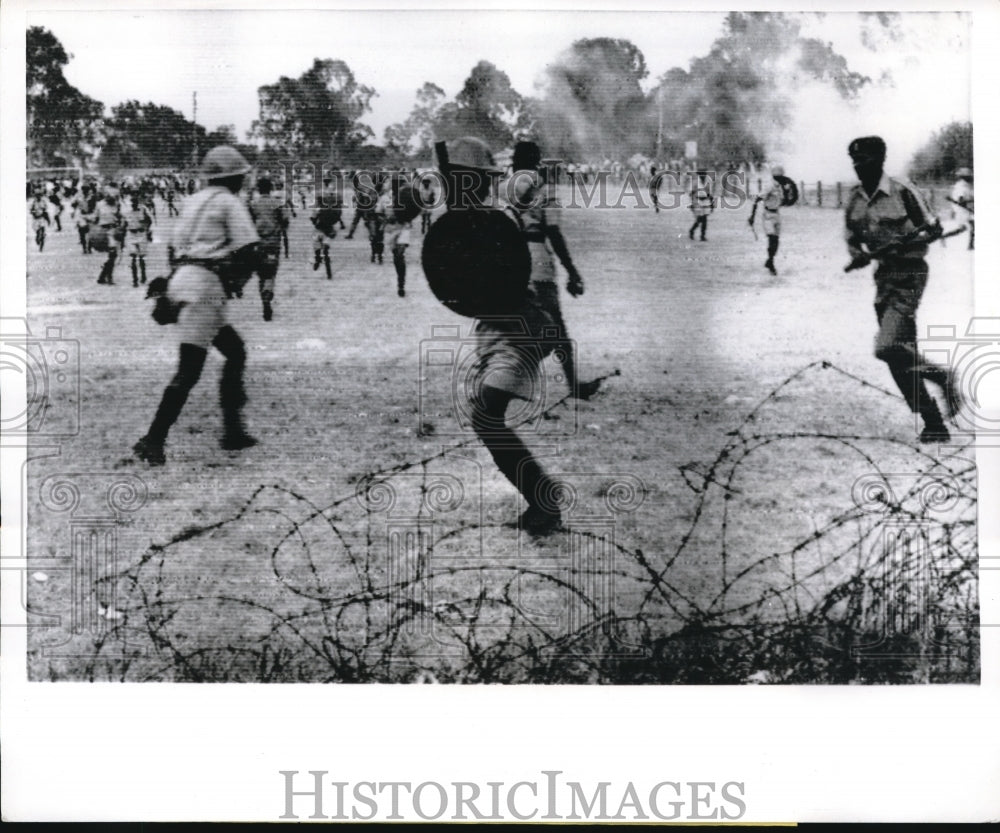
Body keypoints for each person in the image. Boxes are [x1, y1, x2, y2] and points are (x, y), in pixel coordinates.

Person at [437, 136, 570, 536]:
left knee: (485, 415)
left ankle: (545, 501)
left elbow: (505, 280)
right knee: (486, 417)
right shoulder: (479, 216)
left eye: (458, 178)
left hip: (518, 329)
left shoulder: (495, 220)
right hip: (501, 329)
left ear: (471, 179)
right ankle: (543, 499)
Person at [133, 145, 261, 466]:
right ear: (233, 178)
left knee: (235, 350)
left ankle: (233, 429)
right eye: (241, 177)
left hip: (181, 280)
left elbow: (173, 250)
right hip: (205, 287)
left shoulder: (191, 202)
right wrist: (239, 281)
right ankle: (153, 439)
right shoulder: (230, 203)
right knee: (188, 371)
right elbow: (250, 249)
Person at [844, 135, 961, 444]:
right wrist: (857, 256)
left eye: (864, 160)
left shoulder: (902, 190)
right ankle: (934, 422)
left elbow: (933, 229)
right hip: (883, 278)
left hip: (909, 274)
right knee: (898, 355)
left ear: (880, 160)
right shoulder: (855, 198)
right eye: (854, 161)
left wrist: (906, 242)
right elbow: (853, 238)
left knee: (886, 346)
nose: (858, 166)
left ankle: (941, 376)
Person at [506, 140, 601, 400]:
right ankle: (572, 385)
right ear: (538, 162)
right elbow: (554, 231)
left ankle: (505, 381)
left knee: (514, 326)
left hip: (507, 261)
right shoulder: (543, 189)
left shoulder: (502, 187)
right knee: (555, 329)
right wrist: (572, 270)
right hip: (537, 262)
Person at [248, 175, 288, 320]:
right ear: (271, 189)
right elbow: (285, 221)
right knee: (270, 273)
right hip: (273, 243)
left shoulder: (253, 204)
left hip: (258, 243)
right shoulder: (277, 203)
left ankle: (264, 300)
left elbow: (249, 223)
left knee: (261, 273)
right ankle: (268, 292)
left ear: (258, 189)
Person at [752, 165, 785, 274]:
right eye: (777, 176)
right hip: (768, 215)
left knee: (776, 241)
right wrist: (752, 216)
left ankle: (769, 260)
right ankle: (771, 262)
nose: (780, 178)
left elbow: (783, 201)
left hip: (777, 214)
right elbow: (757, 199)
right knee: (772, 239)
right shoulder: (769, 186)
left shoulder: (780, 187)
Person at [122, 193, 154, 287]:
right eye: (133, 202)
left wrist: (148, 231)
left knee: (141, 257)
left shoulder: (143, 209)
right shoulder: (127, 211)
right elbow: (124, 224)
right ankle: (135, 280)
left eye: (136, 202)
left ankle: (143, 276)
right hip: (131, 234)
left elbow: (149, 220)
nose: (134, 204)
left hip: (141, 234)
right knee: (133, 257)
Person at [94, 191, 122, 285]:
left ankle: (104, 276)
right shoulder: (99, 205)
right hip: (103, 230)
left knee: (113, 255)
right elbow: (95, 218)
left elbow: (119, 217)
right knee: (111, 255)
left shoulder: (117, 204)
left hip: (113, 230)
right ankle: (106, 276)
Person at [950, 167, 974, 251]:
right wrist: (971, 200)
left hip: (965, 209)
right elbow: (961, 199)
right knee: (965, 228)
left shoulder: (966, 185)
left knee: (966, 228)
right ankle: (971, 245)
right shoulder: (961, 186)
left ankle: (971, 245)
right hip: (962, 210)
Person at [688, 169, 714, 241]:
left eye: (704, 174)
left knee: (703, 219)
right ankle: (694, 231)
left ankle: (701, 235)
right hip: (698, 201)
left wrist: (712, 204)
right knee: (700, 219)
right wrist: (692, 203)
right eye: (701, 174)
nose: (703, 176)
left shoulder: (708, 182)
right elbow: (691, 193)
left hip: (706, 201)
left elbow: (710, 193)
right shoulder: (695, 182)